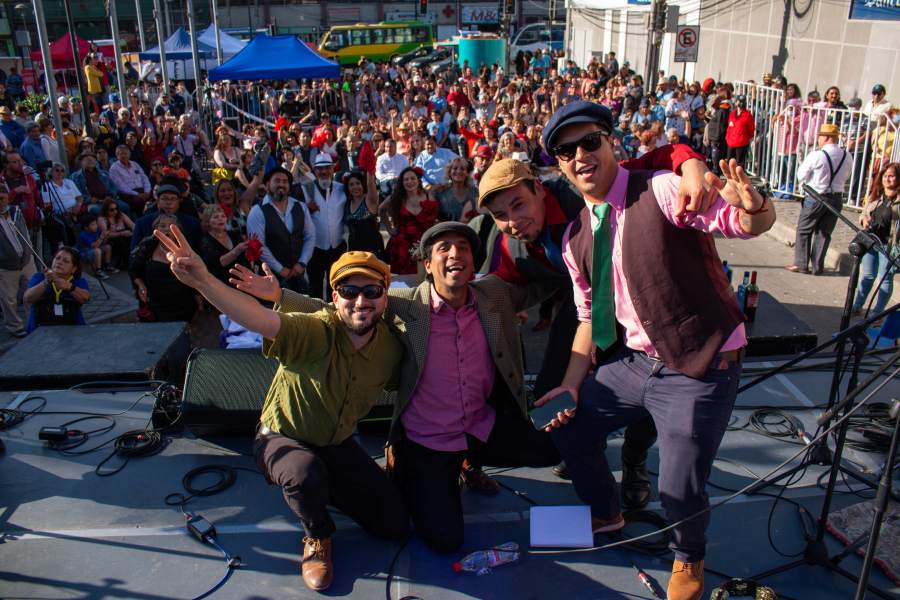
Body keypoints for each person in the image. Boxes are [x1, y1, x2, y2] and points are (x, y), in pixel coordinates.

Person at [537, 101, 775, 600]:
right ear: (558, 164)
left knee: (678, 484)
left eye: (589, 142)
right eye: (566, 150)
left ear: (611, 143)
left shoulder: (663, 188)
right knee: (571, 432)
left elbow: (741, 222)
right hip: (638, 362)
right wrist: (570, 385)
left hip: (701, 365)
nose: (579, 155)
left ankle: (689, 556)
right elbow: (587, 319)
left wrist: (755, 208)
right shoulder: (577, 237)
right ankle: (607, 513)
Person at [266, 222, 559, 554]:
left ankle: (467, 464)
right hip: (428, 440)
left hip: (480, 426)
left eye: (462, 247)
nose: (454, 254)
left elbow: (541, 286)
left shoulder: (494, 293)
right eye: (442, 248)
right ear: (428, 265)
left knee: (553, 447)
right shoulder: (405, 304)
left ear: (473, 260)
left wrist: (569, 255)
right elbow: (337, 309)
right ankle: (409, 467)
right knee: (445, 540)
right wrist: (279, 296)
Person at [155, 230, 409, 591]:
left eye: (371, 292)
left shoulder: (391, 348)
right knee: (304, 473)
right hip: (282, 437)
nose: (360, 302)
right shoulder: (317, 330)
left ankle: (322, 487)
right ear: (335, 298)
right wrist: (203, 280)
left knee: (394, 524)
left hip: (334, 442)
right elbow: (260, 319)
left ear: (385, 298)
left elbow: (413, 391)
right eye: (350, 292)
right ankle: (317, 535)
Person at [786, 123, 852, 275]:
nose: (819, 140)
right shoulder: (847, 155)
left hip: (816, 196)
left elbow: (801, 175)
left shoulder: (817, 155)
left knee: (804, 230)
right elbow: (847, 175)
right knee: (824, 233)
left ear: (827, 137)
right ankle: (817, 267)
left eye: (820, 137)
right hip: (836, 198)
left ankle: (801, 264)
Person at [246, 167, 315, 294]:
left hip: (297, 273)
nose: (281, 184)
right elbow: (259, 246)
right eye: (277, 181)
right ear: (267, 185)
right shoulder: (257, 211)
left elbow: (310, 236)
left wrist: (302, 263)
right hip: (271, 277)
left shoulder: (300, 206)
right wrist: (281, 269)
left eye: (285, 181)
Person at [130, 213, 201, 323]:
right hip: (156, 304)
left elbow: (195, 276)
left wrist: (200, 304)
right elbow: (134, 270)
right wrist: (141, 286)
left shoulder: (184, 248)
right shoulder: (147, 246)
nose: (166, 229)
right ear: (156, 228)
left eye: (171, 226)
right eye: (162, 226)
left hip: (183, 303)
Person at [852, 162, 900, 316]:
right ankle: (857, 306)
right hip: (870, 241)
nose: (888, 179)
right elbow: (864, 213)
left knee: (885, 279)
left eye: (892, 176)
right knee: (867, 275)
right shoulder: (877, 195)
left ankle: (877, 314)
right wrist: (864, 219)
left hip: (888, 245)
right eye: (885, 176)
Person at [300, 154, 346, 300]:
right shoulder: (305, 189)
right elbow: (293, 214)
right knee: (315, 286)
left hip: (337, 247)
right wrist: (306, 209)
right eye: (320, 169)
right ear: (314, 171)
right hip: (315, 248)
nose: (324, 172)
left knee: (336, 285)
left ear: (333, 169)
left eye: (327, 168)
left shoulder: (342, 188)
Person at [381, 166, 438, 275]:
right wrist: (389, 228)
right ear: (402, 183)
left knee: (426, 276)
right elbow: (381, 210)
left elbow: (434, 220)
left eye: (412, 178)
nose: (409, 182)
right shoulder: (396, 198)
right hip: (402, 245)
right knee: (403, 279)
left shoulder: (428, 196)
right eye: (406, 179)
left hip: (423, 243)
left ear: (418, 180)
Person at [23, 246, 91, 333]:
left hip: (72, 331)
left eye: (66, 261)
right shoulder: (39, 277)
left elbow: (85, 298)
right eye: (57, 258)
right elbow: (28, 298)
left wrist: (69, 287)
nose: (59, 262)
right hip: (40, 331)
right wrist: (46, 282)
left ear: (74, 269)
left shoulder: (78, 282)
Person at [0, 182, 34, 338]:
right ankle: (15, 327)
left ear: (7, 197)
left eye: (2, 198)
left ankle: (33, 321)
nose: (1, 202)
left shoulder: (15, 211)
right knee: (9, 299)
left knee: (32, 293)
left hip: (26, 261)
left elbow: (25, 232)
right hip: (5, 266)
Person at [131, 183, 201, 251]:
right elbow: (134, 250)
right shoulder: (142, 223)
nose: (169, 202)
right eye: (164, 198)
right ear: (157, 201)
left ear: (179, 202)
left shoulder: (192, 223)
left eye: (173, 199)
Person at [200, 203, 248, 285]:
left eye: (223, 216)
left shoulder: (234, 234)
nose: (220, 219)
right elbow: (220, 262)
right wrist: (237, 250)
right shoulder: (206, 241)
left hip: (242, 280)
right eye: (216, 217)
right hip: (222, 284)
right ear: (207, 222)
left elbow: (245, 258)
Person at [41, 162, 82, 250]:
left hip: (76, 210)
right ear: (51, 172)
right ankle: (71, 247)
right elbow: (48, 205)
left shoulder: (69, 182)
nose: (60, 173)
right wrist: (65, 211)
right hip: (61, 213)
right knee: (64, 223)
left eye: (62, 171)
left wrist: (78, 205)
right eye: (57, 170)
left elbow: (79, 197)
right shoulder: (47, 186)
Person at [343, 169, 383, 257]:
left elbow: (371, 184)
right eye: (351, 184)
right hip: (354, 249)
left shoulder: (369, 200)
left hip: (372, 250)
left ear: (363, 184)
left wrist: (369, 167)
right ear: (348, 187)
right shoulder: (348, 203)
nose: (355, 187)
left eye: (358, 183)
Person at [109, 145, 152, 215]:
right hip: (129, 194)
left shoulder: (135, 164)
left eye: (126, 153)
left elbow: (144, 178)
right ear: (117, 155)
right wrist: (138, 194)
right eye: (121, 153)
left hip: (143, 191)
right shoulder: (114, 168)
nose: (124, 155)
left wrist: (147, 191)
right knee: (139, 202)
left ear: (129, 154)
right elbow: (120, 186)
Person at [434, 157, 478, 222]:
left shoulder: (475, 192)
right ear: (449, 172)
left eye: (462, 169)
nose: (458, 171)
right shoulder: (441, 193)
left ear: (467, 173)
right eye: (455, 168)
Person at [97, 198, 133, 270]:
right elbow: (106, 234)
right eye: (112, 210)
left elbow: (132, 225)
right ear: (106, 210)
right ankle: (126, 264)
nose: (115, 211)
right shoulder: (102, 219)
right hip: (112, 238)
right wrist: (121, 233)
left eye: (116, 208)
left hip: (124, 234)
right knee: (120, 241)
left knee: (132, 238)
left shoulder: (121, 215)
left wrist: (135, 232)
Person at [77, 213, 112, 277]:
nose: (96, 226)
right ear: (86, 228)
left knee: (108, 247)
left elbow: (102, 243)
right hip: (85, 253)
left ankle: (108, 265)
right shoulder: (83, 235)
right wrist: (101, 237)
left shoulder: (96, 230)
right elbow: (94, 246)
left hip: (93, 249)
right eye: (93, 224)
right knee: (97, 250)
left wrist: (106, 237)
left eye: (96, 223)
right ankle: (98, 270)